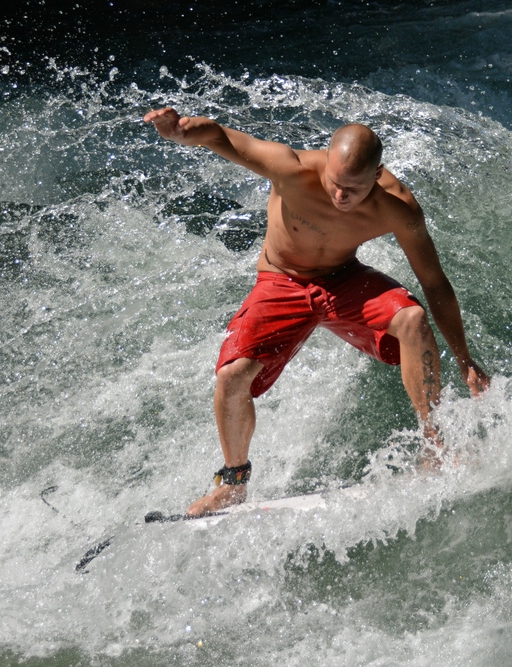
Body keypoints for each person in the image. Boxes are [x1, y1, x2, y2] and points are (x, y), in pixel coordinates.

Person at [143, 108, 490, 517]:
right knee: (231, 375)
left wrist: (464, 359)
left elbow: (434, 283)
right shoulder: (292, 171)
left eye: (353, 190)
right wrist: (180, 130)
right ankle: (232, 484)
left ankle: (436, 448)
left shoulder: (398, 209)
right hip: (281, 281)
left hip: (342, 279)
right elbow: (220, 137)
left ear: (377, 176)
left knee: (412, 320)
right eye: (335, 183)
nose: (340, 196)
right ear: (326, 163)